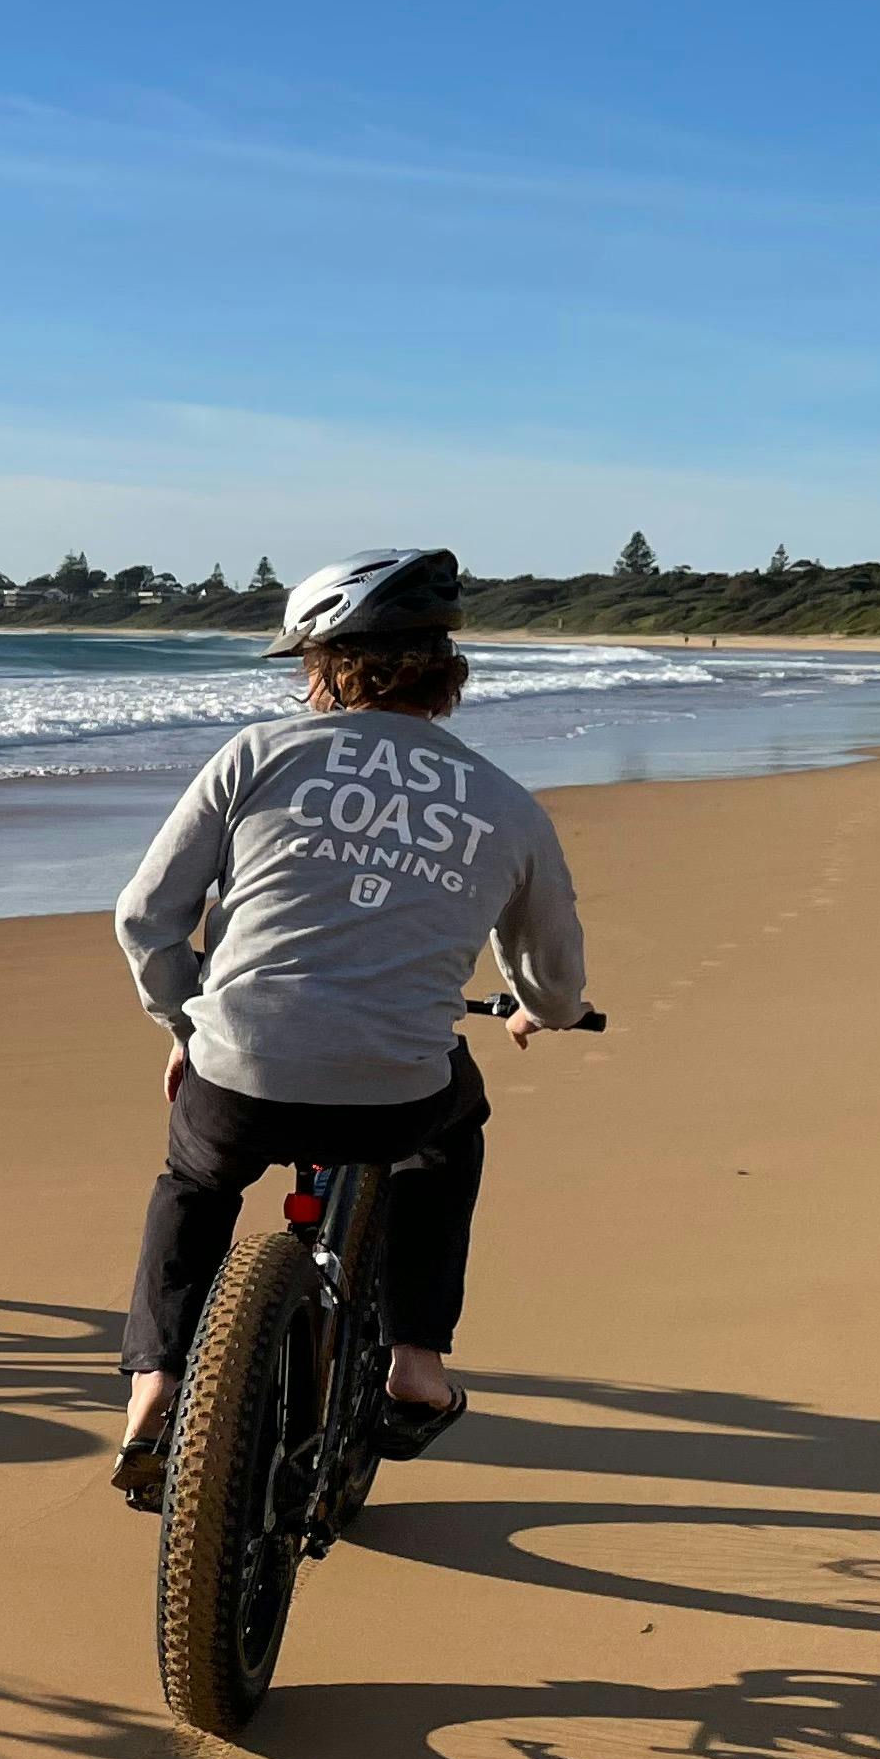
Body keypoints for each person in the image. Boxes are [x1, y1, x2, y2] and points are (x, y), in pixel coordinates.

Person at [109, 548, 590, 1496]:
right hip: (394, 1096)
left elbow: (146, 917)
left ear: (323, 667)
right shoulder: (505, 803)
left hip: (239, 1070)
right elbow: (554, 975)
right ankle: (416, 1361)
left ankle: (156, 1384)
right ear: (445, 672)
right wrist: (540, 1013)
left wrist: (182, 1025)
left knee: (196, 1184)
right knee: (451, 1131)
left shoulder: (257, 755)